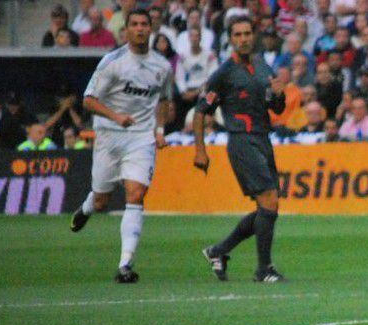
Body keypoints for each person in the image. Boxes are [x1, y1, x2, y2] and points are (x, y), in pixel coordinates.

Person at [70, 8, 172, 284]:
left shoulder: (162, 66)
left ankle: (125, 264)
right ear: (126, 30)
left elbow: (163, 101)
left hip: (141, 138)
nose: (139, 29)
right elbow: (88, 100)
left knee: (136, 194)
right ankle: (87, 208)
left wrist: (160, 130)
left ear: (151, 29)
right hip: (109, 135)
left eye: (144, 25)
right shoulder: (112, 62)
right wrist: (116, 117)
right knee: (102, 199)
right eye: (134, 24)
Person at [194, 15, 287, 283]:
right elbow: (201, 111)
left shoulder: (262, 66)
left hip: (263, 138)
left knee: (268, 207)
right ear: (231, 39)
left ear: (253, 36)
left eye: (247, 33)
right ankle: (263, 269)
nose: (244, 39)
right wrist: (200, 150)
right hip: (242, 139)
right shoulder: (223, 73)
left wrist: (279, 95)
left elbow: (276, 108)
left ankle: (218, 251)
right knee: (268, 199)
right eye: (238, 35)